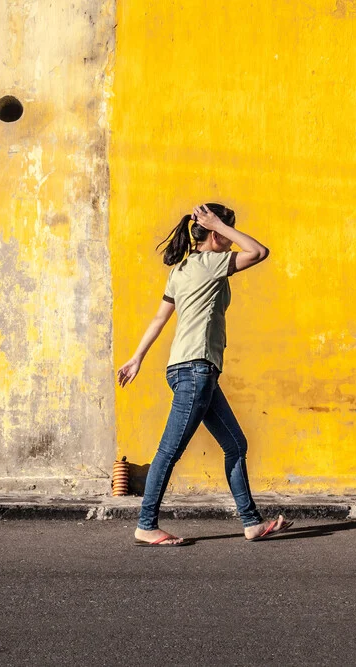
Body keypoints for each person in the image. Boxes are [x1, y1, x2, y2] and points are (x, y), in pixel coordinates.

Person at [117, 203, 292, 547]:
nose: (230, 240)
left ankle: (252, 523)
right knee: (169, 452)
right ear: (215, 234)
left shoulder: (181, 271)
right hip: (196, 370)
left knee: (235, 444)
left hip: (189, 369)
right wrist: (220, 226)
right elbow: (259, 251)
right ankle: (146, 524)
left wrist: (137, 358)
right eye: (226, 233)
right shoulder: (212, 263)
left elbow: (158, 319)